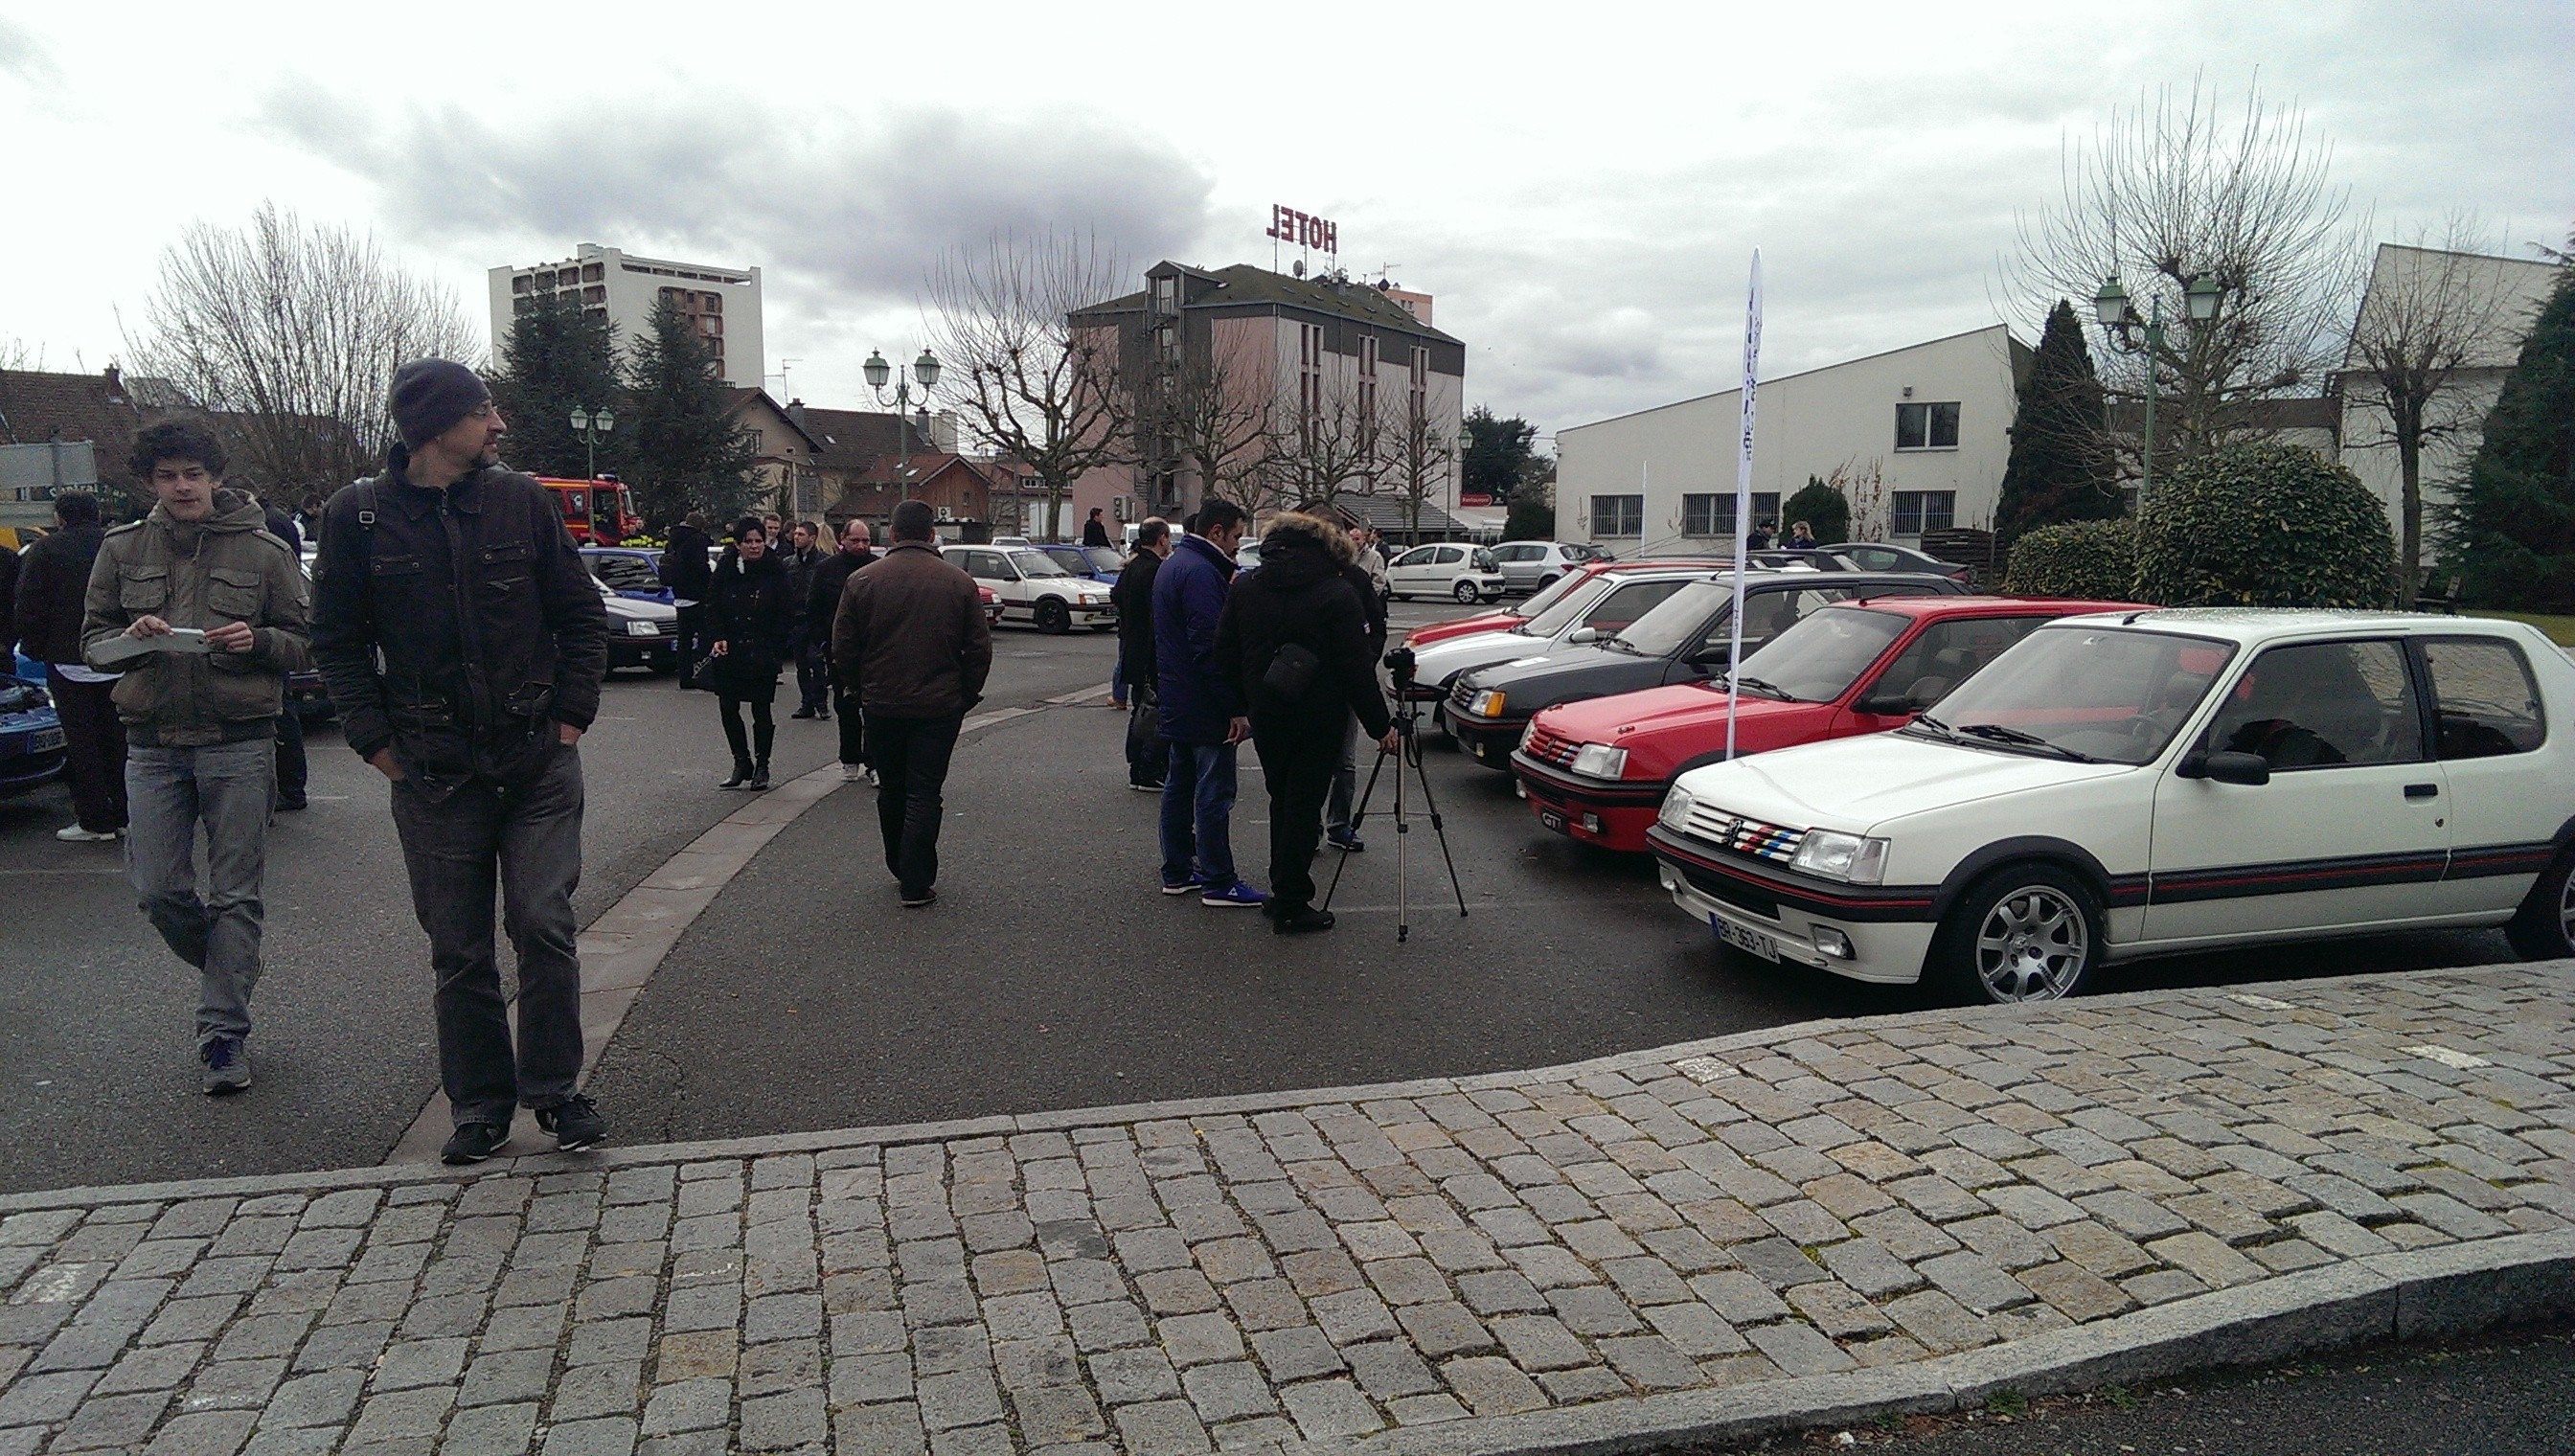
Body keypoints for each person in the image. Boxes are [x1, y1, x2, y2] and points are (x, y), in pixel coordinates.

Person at [311, 358, 611, 1165]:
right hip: (433, 772)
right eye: (483, 411)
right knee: (460, 948)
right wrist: (376, 744)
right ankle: (479, 1107)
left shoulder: (520, 501)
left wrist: (571, 718)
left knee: (544, 925)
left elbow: (581, 614)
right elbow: (336, 642)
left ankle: (554, 1093)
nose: (498, 425)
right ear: (435, 426)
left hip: (537, 759)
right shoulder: (358, 517)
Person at [80, 422, 311, 1092]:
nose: (182, 487)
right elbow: (92, 646)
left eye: (192, 474)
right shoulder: (121, 549)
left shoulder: (265, 550)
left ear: (214, 478)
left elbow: (305, 641)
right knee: (158, 892)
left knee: (236, 894)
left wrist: (259, 640)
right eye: (167, 476)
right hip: (151, 745)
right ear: (149, 483)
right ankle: (229, 965)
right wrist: (131, 637)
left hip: (238, 744)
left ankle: (222, 1037)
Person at [1214, 513, 1398, 935]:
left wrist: (1242, 700)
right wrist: (1380, 725)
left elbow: (1223, 651)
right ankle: (1292, 901)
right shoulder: (1336, 592)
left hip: (1268, 711)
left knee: (1283, 799)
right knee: (1303, 801)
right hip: (1319, 715)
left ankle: (1284, 891)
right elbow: (1356, 669)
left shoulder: (1246, 587)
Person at [832, 498, 992, 908]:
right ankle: (916, 879)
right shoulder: (958, 582)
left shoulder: (863, 581)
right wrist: (966, 694)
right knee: (925, 790)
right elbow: (978, 648)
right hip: (939, 705)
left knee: (892, 786)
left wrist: (858, 687)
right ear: (932, 534)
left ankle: (899, 863)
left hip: (882, 702)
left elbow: (844, 647)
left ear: (894, 534)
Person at [1153, 497, 1265, 908]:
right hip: (1204, 703)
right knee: (1214, 794)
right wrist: (1235, 706)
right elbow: (1210, 648)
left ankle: (1178, 870)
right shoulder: (1202, 574)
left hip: (1179, 697)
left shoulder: (1175, 565)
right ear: (1216, 532)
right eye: (1236, 535)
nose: (1239, 544)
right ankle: (1219, 879)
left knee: (1178, 789)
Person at [14, 491, 126, 842]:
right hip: (118, 653)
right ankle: (128, 812)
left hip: (66, 658)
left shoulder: (46, 551)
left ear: (60, 517)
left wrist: (33, 647)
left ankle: (95, 818)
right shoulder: (119, 544)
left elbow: (29, 603)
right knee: (120, 737)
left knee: (82, 742)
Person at [706, 517, 793, 790]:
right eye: (749, 542)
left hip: (762, 650)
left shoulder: (774, 569)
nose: (755, 546)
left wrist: (776, 645)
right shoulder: (726, 568)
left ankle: (762, 764)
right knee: (728, 706)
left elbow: (785, 609)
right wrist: (718, 635)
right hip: (731, 649)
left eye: (759, 541)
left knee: (761, 709)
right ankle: (741, 761)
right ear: (738, 544)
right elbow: (712, 604)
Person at [1323, 523, 1392, 853]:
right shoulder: (1308, 578)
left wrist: (1367, 660)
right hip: (1314, 686)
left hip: (1346, 683)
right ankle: (1311, 828)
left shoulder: (1356, 580)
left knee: (1345, 762)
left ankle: (1339, 824)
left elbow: (1377, 625)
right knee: (1318, 762)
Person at [246, 488, 309, 811]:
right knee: (286, 712)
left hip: (267, 633)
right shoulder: (281, 520)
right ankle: (292, 785)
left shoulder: (267, 528)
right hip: (273, 629)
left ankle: (289, 787)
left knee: (282, 714)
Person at [810, 519, 878, 783]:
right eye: (855, 541)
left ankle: (874, 763)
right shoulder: (826, 569)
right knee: (846, 707)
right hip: (840, 650)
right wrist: (824, 644)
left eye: (865, 541)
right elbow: (813, 609)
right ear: (843, 539)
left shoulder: (877, 567)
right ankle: (849, 758)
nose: (861, 546)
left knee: (874, 710)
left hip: (874, 651)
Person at [1112, 518, 1172, 791]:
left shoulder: (1132, 566)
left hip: (1132, 647)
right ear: (1162, 538)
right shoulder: (1155, 570)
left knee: (1141, 708)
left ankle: (1138, 764)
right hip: (1150, 651)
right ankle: (1147, 768)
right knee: (1153, 711)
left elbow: (1116, 597)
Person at [780, 521, 831, 720]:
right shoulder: (789, 563)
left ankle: (821, 702)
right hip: (797, 621)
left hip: (817, 621)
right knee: (801, 664)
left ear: (812, 538)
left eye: (801, 534)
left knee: (816, 660)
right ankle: (806, 703)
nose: (796, 537)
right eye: (796, 534)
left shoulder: (824, 563)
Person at [660, 512, 715, 685]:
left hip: (679, 595)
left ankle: (685, 677)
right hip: (697, 596)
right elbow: (701, 567)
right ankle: (704, 674)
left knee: (684, 640)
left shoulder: (673, 541)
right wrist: (710, 582)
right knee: (706, 635)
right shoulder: (697, 540)